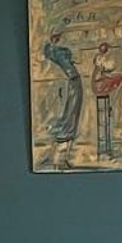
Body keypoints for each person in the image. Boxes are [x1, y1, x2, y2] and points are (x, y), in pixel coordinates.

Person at [41, 32, 82, 167]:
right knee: (67, 120)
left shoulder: (60, 51)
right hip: (69, 84)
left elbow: (76, 59)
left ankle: (60, 158)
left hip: (73, 83)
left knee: (70, 119)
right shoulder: (54, 52)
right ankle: (59, 159)